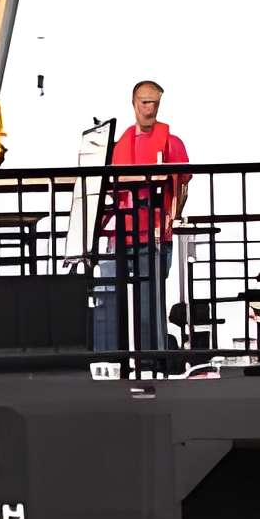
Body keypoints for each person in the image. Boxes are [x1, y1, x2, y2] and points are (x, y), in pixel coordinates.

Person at [93, 79, 191, 359]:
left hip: (156, 235)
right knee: (109, 301)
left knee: (150, 305)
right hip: (120, 235)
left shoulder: (172, 143)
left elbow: (182, 185)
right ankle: (110, 360)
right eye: (145, 102)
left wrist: (173, 218)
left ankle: (153, 362)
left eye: (154, 103)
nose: (149, 108)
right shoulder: (119, 145)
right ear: (134, 103)